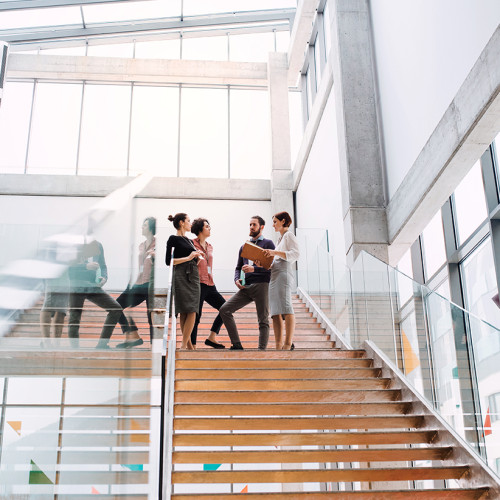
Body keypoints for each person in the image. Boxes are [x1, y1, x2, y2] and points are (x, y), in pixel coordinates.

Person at [219, 216, 275, 350]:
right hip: (245, 287)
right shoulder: (244, 247)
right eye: (250, 224)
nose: (251, 227)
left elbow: (272, 267)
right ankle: (237, 344)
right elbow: (238, 267)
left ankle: (261, 351)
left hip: (262, 285)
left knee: (263, 320)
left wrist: (254, 268)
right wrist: (236, 279)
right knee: (224, 310)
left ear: (261, 227)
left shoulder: (268, 244)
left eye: (254, 225)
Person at [68, 239, 123, 349]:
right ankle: (75, 351)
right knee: (74, 319)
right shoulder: (75, 245)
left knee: (116, 309)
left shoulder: (98, 245)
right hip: (76, 286)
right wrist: (85, 266)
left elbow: (103, 266)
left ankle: (102, 345)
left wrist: (104, 278)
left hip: (93, 286)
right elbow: (68, 268)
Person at [115, 217, 156, 349]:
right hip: (137, 284)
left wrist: (156, 256)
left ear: (151, 228)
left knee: (152, 316)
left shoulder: (159, 245)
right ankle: (133, 335)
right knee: (115, 306)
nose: (142, 227)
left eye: (144, 225)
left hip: (150, 285)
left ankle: (154, 346)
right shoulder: (141, 245)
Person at [263, 211, 300, 350]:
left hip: (284, 272)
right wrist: (264, 263)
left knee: (286, 306)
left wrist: (274, 252)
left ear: (283, 221)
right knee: (275, 311)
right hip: (275, 273)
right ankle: (278, 344)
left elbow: (295, 254)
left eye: (275, 222)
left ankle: (287, 343)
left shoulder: (289, 235)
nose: (273, 225)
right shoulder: (280, 239)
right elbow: (276, 260)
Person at [165, 213, 202, 350]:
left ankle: (187, 345)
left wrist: (196, 257)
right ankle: (185, 345)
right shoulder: (173, 239)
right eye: (188, 221)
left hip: (193, 274)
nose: (190, 223)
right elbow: (169, 261)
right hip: (180, 274)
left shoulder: (190, 241)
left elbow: (192, 258)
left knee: (192, 309)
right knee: (184, 310)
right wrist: (189, 257)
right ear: (181, 223)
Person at [191, 218, 226, 349]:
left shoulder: (210, 246)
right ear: (200, 229)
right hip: (198, 283)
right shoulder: (191, 244)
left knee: (225, 308)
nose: (209, 228)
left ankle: (212, 337)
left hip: (210, 284)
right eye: (207, 226)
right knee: (196, 315)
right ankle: (192, 346)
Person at [40, 269, 70, 348]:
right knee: (48, 306)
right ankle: (46, 342)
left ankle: (56, 344)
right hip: (53, 276)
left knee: (61, 311)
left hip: (65, 278)